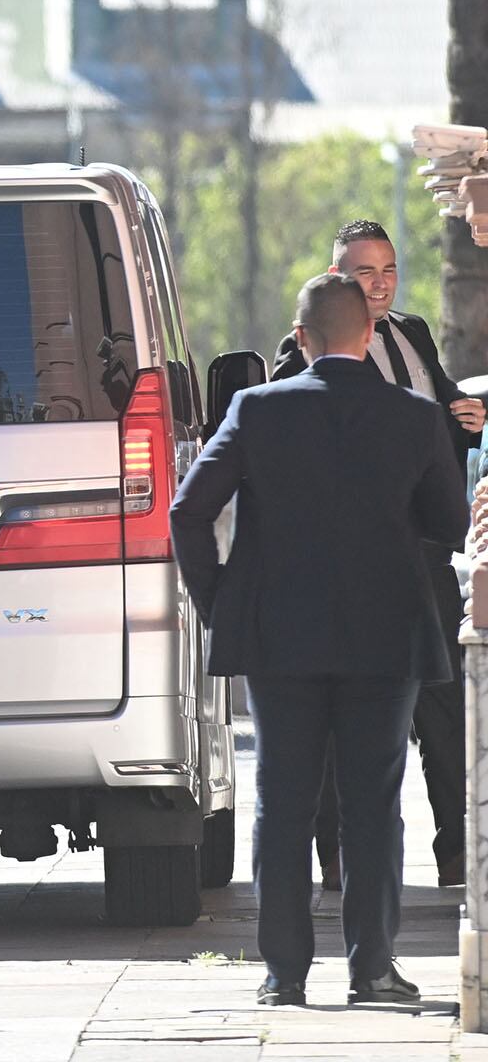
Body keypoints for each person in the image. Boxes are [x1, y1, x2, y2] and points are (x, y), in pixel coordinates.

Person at [173, 273, 466, 1007]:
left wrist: (221, 605)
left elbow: (188, 513)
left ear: (300, 341)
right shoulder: (413, 418)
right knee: (375, 804)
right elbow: (451, 525)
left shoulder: (255, 409)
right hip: (387, 634)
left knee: (284, 802)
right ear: (370, 334)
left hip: (279, 638)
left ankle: (284, 976)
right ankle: (372, 971)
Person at [270, 220, 486, 891]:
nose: (381, 284)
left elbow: (443, 404)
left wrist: (468, 413)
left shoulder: (413, 334)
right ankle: (336, 858)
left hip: (424, 552)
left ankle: (459, 850)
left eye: (389, 270)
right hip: (345, 565)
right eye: (366, 272)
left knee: (445, 699)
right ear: (337, 278)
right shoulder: (302, 350)